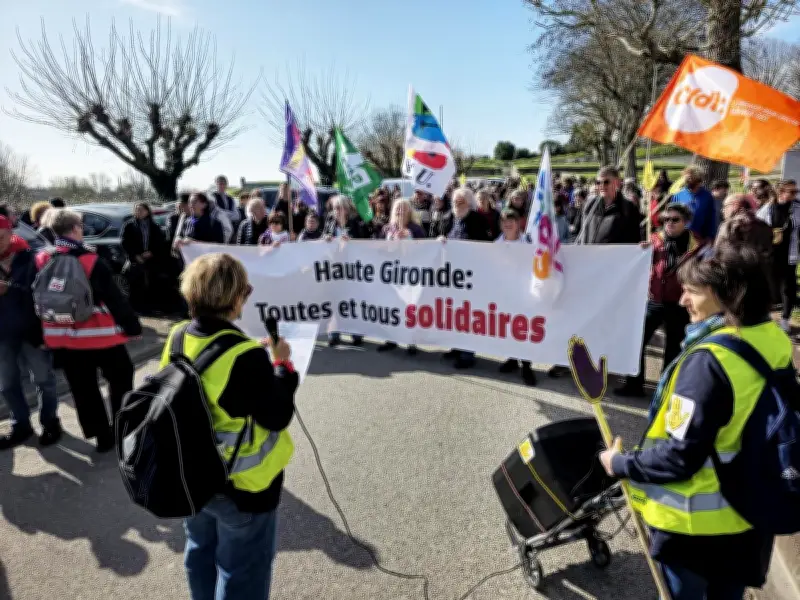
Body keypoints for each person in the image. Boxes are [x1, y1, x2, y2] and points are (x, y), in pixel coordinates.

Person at [599, 243, 787, 600]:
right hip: (751, 515)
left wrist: (620, 464)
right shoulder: (773, 337)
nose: (683, 300)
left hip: (693, 530)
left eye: (691, 291)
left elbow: (680, 456)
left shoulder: (708, 360)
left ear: (720, 295)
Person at [173, 252, 298, 600]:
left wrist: (256, 360)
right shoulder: (245, 356)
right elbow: (277, 415)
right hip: (241, 486)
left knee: (200, 551)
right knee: (242, 571)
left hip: (192, 476)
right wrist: (282, 365)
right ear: (234, 298)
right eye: (247, 290)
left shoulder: (179, 335)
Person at [35, 209, 141, 452]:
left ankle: (101, 436)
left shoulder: (43, 259)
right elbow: (114, 298)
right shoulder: (90, 260)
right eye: (81, 226)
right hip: (99, 336)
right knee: (121, 377)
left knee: (83, 389)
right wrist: (132, 326)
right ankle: (123, 426)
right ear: (74, 229)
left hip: (63, 339)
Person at [616, 203, 703, 397]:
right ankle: (634, 384)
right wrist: (642, 251)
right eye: (666, 219)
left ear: (686, 222)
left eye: (675, 220)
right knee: (636, 342)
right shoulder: (654, 240)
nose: (669, 223)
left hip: (680, 305)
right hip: (655, 301)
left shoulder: (697, 245)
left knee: (673, 349)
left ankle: (665, 390)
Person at [0, 215, 62, 449]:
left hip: (31, 329)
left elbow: (41, 292)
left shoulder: (29, 257)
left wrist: (9, 289)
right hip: (3, 334)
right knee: (7, 384)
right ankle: (21, 425)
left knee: (43, 379)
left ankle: (50, 422)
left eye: (2, 237)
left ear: (11, 234)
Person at [438, 187, 492, 369]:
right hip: (451, 277)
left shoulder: (478, 220)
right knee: (453, 314)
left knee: (467, 317)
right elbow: (439, 236)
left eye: (460, 202)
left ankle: (467, 354)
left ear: (469, 203)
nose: (456, 205)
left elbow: (485, 247)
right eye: (454, 202)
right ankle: (456, 346)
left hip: (470, 279)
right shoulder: (448, 218)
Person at [376, 198, 426, 355]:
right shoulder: (386, 229)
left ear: (410, 212)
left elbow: (426, 248)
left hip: (409, 275)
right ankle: (391, 339)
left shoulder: (416, 229)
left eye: (404, 209)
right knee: (391, 307)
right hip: (390, 275)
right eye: (397, 209)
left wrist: (409, 238)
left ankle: (411, 342)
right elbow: (376, 247)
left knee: (410, 308)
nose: (400, 212)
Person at [495, 208, 537, 386]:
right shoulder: (495, 244)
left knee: (522, 327)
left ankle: (526, 365)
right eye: (504, 220)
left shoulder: (528, 242)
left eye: (511, 220)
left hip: (524, 291)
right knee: (508, 326)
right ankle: (512, 358)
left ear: (518, 223)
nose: (507, 223)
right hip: (505, 292)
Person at [324, 195, 371, 347]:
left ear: (346, 209)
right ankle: (334, 333)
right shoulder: (330, 223)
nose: (337, 211)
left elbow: (365, 242)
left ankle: (356, 333)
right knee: (335, 300)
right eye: (335, 208)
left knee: (353, 301)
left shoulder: (356, 223)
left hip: (352, 270)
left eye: (340, 208)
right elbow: (322, 240)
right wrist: (326, 239)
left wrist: (351, 241)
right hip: (334, 269)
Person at [756, 179, 799, 334]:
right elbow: (757, 226)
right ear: (780, 192)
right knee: (769, 287)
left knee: (788, 287)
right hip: (769, 254)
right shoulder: (767, 208)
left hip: (789, 254)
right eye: (792, 192)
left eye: (796, 191)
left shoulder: (797, 208)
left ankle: (785, 318)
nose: (795, 195)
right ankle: (766, 316)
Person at [121, 202, 169, 314]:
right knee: (136, 284)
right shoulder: (129, 225)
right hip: (136, 259)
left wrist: (152, 252)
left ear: (147, 211)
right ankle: (136, 308)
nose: (139, 212)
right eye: (137, 210)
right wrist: (136, 256)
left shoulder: (154, 226)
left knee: (151, 284)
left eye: (141, 210)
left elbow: (160, 242)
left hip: (151, 260)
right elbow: (124, 243)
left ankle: (150, 308)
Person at [576, 165, 642, 245]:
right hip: (590, 255)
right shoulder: (589, 204)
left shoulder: (629, 207)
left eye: (606, 182)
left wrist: (643, 247)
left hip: (615, 256)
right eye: (598, 182)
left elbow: (635, 240)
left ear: (617, 182)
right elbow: (583, 234)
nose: (602, 185)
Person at [672, 166, 718, 241]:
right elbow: (671, 215)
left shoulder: (707, 196)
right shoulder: (678, 194)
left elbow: (711, 218)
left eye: (689, 178)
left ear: (698, 179)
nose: (686, 181)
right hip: (680, 237)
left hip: (701, 237)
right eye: (685, 178)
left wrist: (710, 236)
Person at [211, 175, 239, 240]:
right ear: (216, 184)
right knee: (221, 214)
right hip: (216, 226)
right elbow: (216, 211)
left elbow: (237, 215)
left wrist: (227, 215)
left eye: (224, 184)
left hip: (230, 225)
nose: (222, 186)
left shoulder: (230, 198)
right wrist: (229, 214)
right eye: (220, 184)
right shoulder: (212, 196)